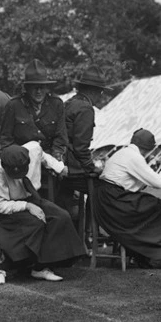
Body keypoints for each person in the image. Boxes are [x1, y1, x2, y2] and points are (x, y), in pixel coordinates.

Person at [94, 128, 161, 270]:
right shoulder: (134, 157)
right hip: (114, 201)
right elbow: (159, 183)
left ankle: (144, 256)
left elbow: (132, 182)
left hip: (107, 200)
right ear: (146, 148)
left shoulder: (122, 153)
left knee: (150, 205)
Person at [0, 142, 87, 285]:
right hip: (12, 204)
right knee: (34, 223)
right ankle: (1, 269)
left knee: (61, 216)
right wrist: (27, 206)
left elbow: (45, 157)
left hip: (33, 197)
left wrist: (60, 168)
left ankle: (40, 267)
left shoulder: (34, 149)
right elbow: (0, 205)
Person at [0, 60, 68, 198]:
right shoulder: (14, 105)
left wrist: (57, 159)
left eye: (42, 87)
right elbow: (5, 140)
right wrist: (16, 162)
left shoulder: (56, 104)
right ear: (27, 88)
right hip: (22, 163)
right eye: (34, 87)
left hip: (49, 161)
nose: (38, 91)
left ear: (47, 88)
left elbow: (60, 138)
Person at [55, 65, 110, 218]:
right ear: (95, 91)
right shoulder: (86, 109)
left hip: (61, 164)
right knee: (104, 188)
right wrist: (92, 167)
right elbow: (80, 147)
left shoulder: (69, 103)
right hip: (72, 168)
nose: (100, 96)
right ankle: (93, 230)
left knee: (65, 199)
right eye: (101, 92)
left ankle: (78, 231)